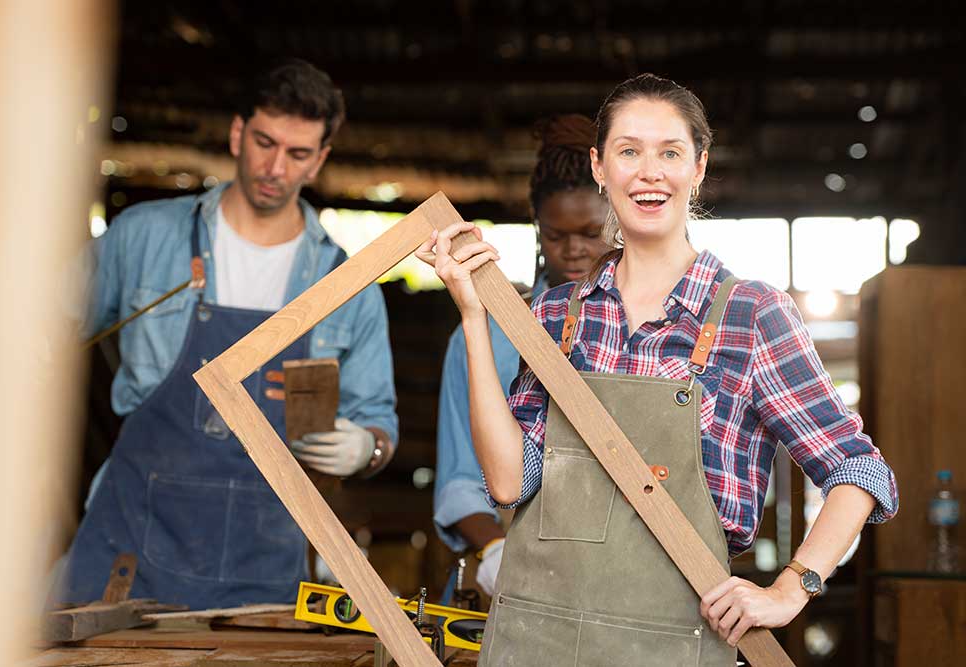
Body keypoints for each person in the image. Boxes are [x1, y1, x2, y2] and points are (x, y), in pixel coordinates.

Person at [416, 74, 898, 665]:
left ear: (697, 168)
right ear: (600, 167)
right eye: (629, 151)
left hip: (673, 642)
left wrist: (792, 586)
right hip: (537, 638)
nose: (650, 172)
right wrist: (472, 315)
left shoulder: (751, 314)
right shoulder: (554, 314)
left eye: (670, 152)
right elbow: (511, 482)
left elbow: (859, 469)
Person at [58, 59, 397, 609]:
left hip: (262, 570)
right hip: (130, 549)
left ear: (320, 161)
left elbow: (380, 420)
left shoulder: (347, 285)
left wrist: (366, 447)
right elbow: (37, 334)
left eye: (297, 154)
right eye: (264, 142)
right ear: (238, 133)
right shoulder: (144, 238)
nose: (275, 167)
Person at [432, 114, 610, 599]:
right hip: (512, 583)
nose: (573, 250)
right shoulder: (488, 332)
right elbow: (461, 480)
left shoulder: (646, 331)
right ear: (537, 227)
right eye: (556, 235)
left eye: (591, 231)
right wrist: (494, 552)